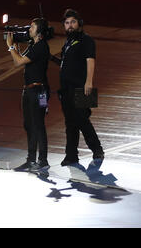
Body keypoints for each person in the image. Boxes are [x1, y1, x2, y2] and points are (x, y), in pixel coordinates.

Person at [52, 9, 104, 166]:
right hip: (66, 89)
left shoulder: (86, 40)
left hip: (82, 87)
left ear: (79, 23)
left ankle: (97, 149)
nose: (70, 26)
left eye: (73, 22)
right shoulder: (68, 42)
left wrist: (89, 82)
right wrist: (49, 57)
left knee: (82, 121)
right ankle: (71, 155)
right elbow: (63, 63)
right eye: (67, 23)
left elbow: (90, 60)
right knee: (70, 123)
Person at [6, 18, 51, 172]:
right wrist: (15, 46)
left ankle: (42, 160)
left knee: (38, 125)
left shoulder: (40, 47)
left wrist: (10, 45)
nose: (29, 29)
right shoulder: (34, 45)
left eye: (32, 26)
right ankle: (31, 160)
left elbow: (17, 62)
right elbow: (19, 60)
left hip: (39, 91)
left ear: (39, 31)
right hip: (31, 90)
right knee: (29, 125)